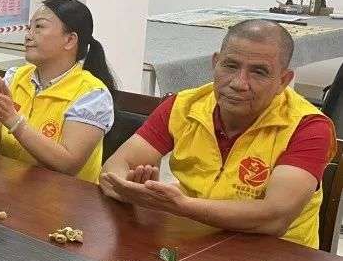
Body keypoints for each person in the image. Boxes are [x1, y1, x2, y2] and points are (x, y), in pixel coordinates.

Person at [100, 20, 335, 249]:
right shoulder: (184, 105)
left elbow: (274, 218)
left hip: (276, 258)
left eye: (259, 72)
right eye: (230, 66)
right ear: (215, 63)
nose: (239, 83)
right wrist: (131, 190)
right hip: (192, 244)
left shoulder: (308, 127)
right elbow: (114, 168)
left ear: (283, 81)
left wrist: (181, 206)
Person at [0, 0, 116, 182]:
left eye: (39, 27)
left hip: (63, 197)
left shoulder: (92, 95)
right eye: (29, 27)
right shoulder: (15, 77)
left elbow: (68, 164)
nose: (28, 35)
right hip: (8, 187)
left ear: (70, 40)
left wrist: (12, 119)